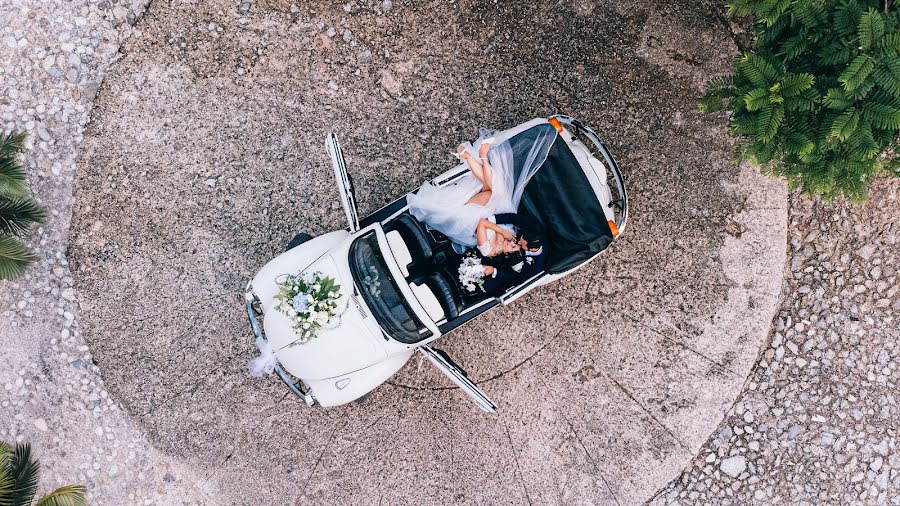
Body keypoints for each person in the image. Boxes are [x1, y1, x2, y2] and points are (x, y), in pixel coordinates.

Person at [406, 125, 556, 253]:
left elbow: (483, 225)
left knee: (491, 190)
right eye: (519, 244)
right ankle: (473, 156)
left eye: (514, 247)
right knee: (494, 188)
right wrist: (502, 230)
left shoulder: (489, 249)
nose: (516, 244)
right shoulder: (526, 233)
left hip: (470, 219)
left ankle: (478, 156)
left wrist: (501, 231)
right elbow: (510, 219)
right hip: (493, 214)